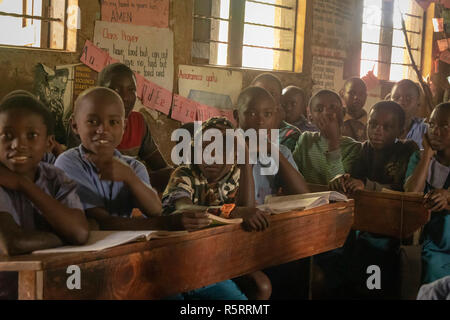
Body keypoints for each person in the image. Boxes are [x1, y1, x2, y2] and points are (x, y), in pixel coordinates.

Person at [162, 117, 271, 300]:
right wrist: (230, 211)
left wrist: (245, 164)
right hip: (181, 259)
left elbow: (249, 212)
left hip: (221, 256)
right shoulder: (185, 174)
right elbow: (183, 206)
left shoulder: (236, 174)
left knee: (261, 286)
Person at [0, 93, 89, 299]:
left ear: (49, 143)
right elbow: (12, 243)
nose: (17, 145)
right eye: (7, 135)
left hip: (46, 288)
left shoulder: (54, 177)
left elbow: (79, 232)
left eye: (31, 135)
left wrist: (23, 185)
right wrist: (61, 237)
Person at [330, 101, 419, 299]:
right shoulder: (365, 150)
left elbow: (404, 192)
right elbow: (355, 179)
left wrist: (367, 186)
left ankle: (371, 292)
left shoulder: (407, 151)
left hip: (391, 228)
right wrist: (343, 180)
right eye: (373, 124)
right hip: (363, 223)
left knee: (373, 263)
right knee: (340, 254)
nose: (378, 131)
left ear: (401, 131)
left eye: (387, 127)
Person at [55, 87, 163, 230]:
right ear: (75, 125)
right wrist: (166, 223)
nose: (103, 130)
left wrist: (130, 177)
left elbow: (155, 210)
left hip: (122, 246)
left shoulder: (133, 167)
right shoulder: (68, 163)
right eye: (92, 121)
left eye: (113, 122)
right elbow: (101, 222)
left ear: (124, 126)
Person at [67, 63, 173, 193]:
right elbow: (84, 175)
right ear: (99, 90)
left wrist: (135, 179)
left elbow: (162, 168)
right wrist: (133, 179)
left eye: (131, 90)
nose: (125, 97)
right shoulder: (84, 123)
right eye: (115, 90)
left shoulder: (138, 122)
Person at [404, 102, 450, 284]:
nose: (435, 131)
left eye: (444, 126)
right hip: (428, 239)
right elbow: (411, 193)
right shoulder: (419, 158)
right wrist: (427, 155)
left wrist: (446, 195)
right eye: (431, 125)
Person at [293, 89, 362, 186]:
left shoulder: (353, 148)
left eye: (332, 107)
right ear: (311, 117)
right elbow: (293, 177)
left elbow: (339, 187)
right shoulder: (305, 140)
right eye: (319, 109)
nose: (326, 113)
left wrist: (333, 142)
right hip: (306, 198)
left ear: (342, 113)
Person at [251, 73, 302, 152]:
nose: (265, 98)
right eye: (260, 93)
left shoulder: (291, 134)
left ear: (280, 99)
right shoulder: (245, 126)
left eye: (272, 94)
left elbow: (278, 162)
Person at [390, 79, 428, 149]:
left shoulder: (425, 129)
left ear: (418, 104)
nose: (401, 102)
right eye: (396, 97)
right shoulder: (380, 127)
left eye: (408, 98)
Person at [340, 77, 368, 142]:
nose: (356, 97)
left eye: (361, 94)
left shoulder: (371, 124)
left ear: (366, 96)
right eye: (352, 93)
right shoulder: (335, 119)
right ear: (342, 94)